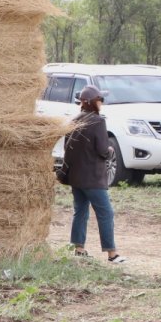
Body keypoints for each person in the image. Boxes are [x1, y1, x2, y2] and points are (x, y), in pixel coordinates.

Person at [62, 85, 127, 263]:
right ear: (91, 102)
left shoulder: (74, 121)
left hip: (76, 177)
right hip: (93, 178)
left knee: (80, 212)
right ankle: (112, 254)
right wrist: (109, 149)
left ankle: (79, 248)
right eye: (100, 100)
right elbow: (101, 150)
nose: (101, 103)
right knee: (106, 213)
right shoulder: (98, 122)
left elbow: (67, 149)